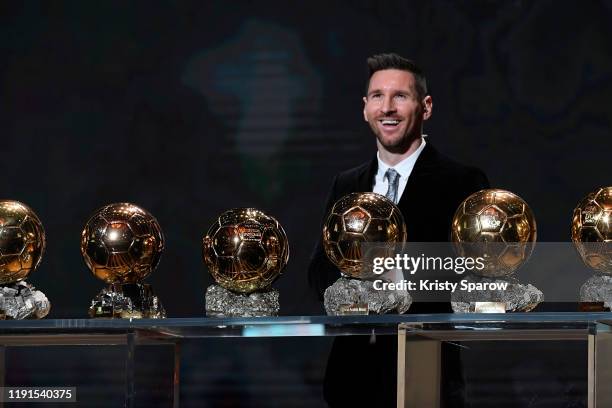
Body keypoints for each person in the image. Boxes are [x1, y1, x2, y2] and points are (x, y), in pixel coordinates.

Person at [308, 53, 489, 407]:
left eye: (400, 97)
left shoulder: (462, 181)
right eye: (377, 96)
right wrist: (348, 290)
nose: (387, 108)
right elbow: (319, 271)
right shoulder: (345, 184)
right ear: (365, 108)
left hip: (426, 376)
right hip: (350, 381)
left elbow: (474, 274)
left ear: (426, 107)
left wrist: (396, 279)